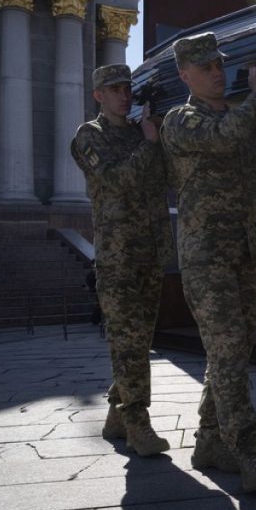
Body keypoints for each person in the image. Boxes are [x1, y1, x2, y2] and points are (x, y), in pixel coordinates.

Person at [161, 33, 256, 493]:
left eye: (219, 65)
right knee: (228, 352)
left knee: (231, 354)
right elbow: (222, 139)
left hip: (245, 252)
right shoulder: (180, 119)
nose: (216, 73)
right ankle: (247, 450)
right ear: (184, 74)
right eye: (205, 67)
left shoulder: (245, 117)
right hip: (205, 254)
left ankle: (209, 440)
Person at [71, 64, 175, 457]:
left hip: (150, 249)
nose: (123, 95)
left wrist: (157, 136)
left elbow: (164, 178)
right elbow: (115, 180)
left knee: (139, 340)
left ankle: (118, 412)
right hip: (118, 256)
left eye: (127, 89)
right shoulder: (88, 136)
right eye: (114, 90)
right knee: (127, 342)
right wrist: (149, 144)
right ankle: (137, 422)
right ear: (99, 95)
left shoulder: (139, 132)